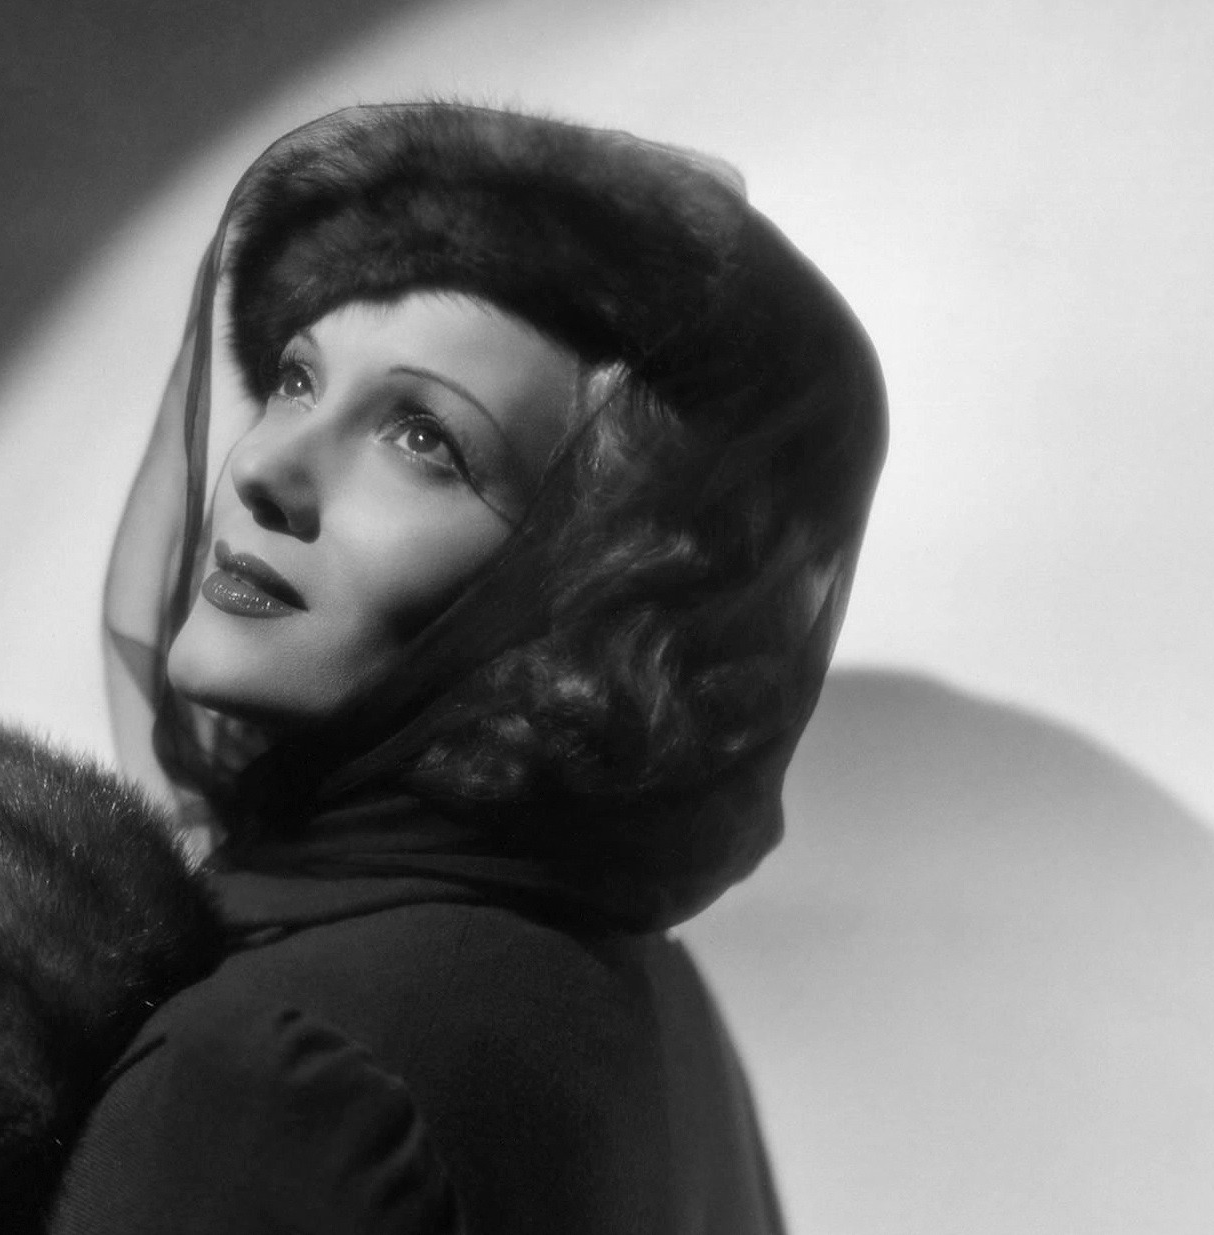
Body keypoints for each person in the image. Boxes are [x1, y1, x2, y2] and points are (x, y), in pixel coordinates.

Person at [56, 102, 887, 1234]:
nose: (262, 464)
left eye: (423, 438)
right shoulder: (649, 995)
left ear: (592, 578)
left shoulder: (265, 1066)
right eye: (296, 378)